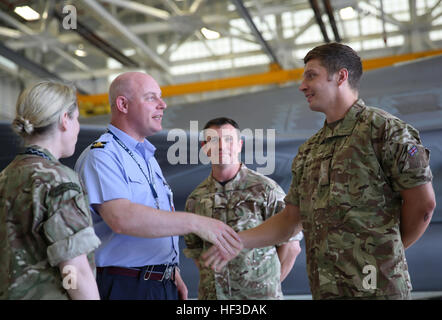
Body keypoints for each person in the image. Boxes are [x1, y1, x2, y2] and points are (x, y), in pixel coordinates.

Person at [202, 43, 436, 300]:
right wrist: (236, 241)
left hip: (376, 290)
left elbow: (422, 206)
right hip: (326, 290)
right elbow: (290, 220)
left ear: (341, 76)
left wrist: (385, 254)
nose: (302, 85)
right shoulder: (310, 150)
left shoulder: (385, 132)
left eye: (311, 75)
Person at [74, 72, 241, 300]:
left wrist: (171, 271)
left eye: (160, 97)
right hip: (126, 287)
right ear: (123, 104)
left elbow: (155, 218)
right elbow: (121, 218)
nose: (162, 104)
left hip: (160, 283)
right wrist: (196, 223)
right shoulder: (103, 155)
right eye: (151, 97)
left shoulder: (146, 157)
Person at [0, 80, 101, 300]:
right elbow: (74, 270)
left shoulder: (5, 176)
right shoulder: (58, 180)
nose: (78, 126)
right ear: (65, 119)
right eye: (77, 118)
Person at [184, 117, 303, 299]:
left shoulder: (265, 190)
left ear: (239, 145)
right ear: (204, 147)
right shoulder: (196, 199)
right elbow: (197, 253)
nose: (222, 146)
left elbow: (291, 246)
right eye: (213, 140)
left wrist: (267, 287)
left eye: (229, 139)